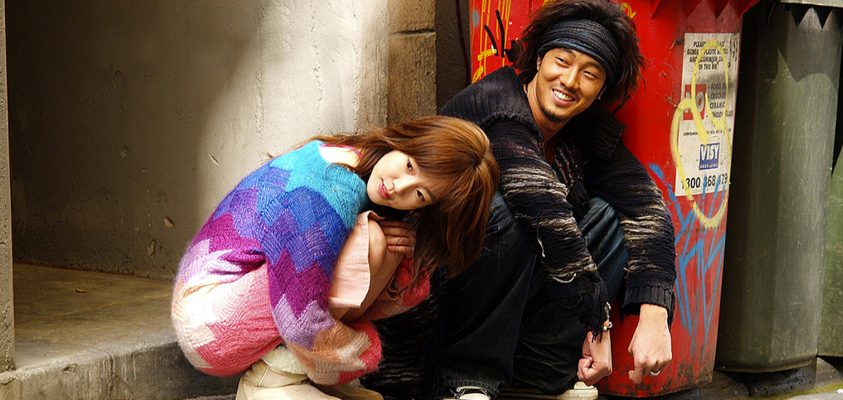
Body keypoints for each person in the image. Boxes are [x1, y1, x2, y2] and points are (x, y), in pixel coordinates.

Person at [437, 0, 677, 398]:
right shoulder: (495, 104)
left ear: (601, 90)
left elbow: (646, 207)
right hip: (438, 294)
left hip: (517, 290)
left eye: (590, 74)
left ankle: (539, 375)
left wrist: (654, 313)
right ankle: (465, 380)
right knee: (510, 212)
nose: (570, 80)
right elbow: (541, 205)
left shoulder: (584, 131)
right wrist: (598, 320)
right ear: (538, 60)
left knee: (611, 217)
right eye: (561, 61)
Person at [170, 116, 499, 399]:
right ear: (406, 141)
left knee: (384, 243)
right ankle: (270, 379)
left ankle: (299, 372)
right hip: (209, 326)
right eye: (410, 165)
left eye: (420, 194)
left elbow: (409, 288)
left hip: (221, 312)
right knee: (372, 242)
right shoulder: (327, 193)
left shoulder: (357, 160)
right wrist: (365, 351)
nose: (399, 186)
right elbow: (302, 323)